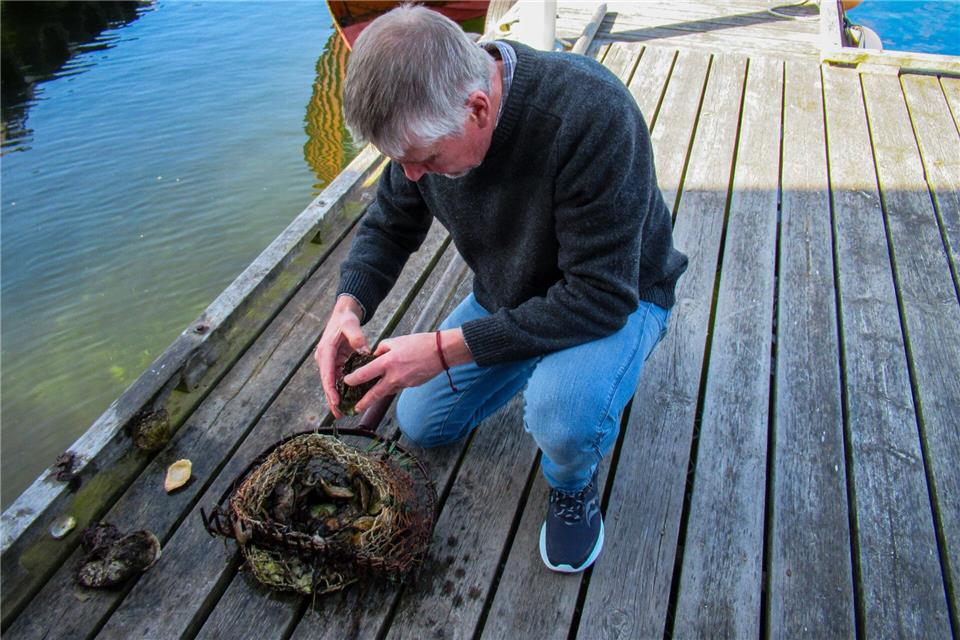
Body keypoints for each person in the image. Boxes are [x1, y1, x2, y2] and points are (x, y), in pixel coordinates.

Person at [314, 5, 687, 574]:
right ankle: (536, 354)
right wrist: (348, 305)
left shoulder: (592, 116)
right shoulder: (427, 119)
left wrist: (442, 349)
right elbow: (391, 221)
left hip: (620, 296)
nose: (413, 175)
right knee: (422, 423)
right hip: (511, 292)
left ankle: (570, 481)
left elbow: (600, 298)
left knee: (562, 415)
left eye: (424, 160)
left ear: (479, 109)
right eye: (401, 162)